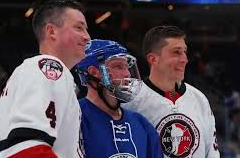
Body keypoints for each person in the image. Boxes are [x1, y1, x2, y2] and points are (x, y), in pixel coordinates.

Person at [0, 0, 91, 158]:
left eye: (86, 29)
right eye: (79, 28)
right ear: (51, 31)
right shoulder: (49, 67)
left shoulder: (38, 71)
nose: (87, 37)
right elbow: (27, 150)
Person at [122, 26, 220, 157]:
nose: (184, 59)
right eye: (176, 52)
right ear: (153, 59)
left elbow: (212, 153)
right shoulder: (130, 101)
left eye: (185, 52)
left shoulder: (199, 99)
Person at [76, 39, 164, 158]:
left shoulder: (141, 124)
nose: (127, 74)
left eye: (127, 67)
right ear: (94, 72)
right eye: (118, 66)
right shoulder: (75, 117)